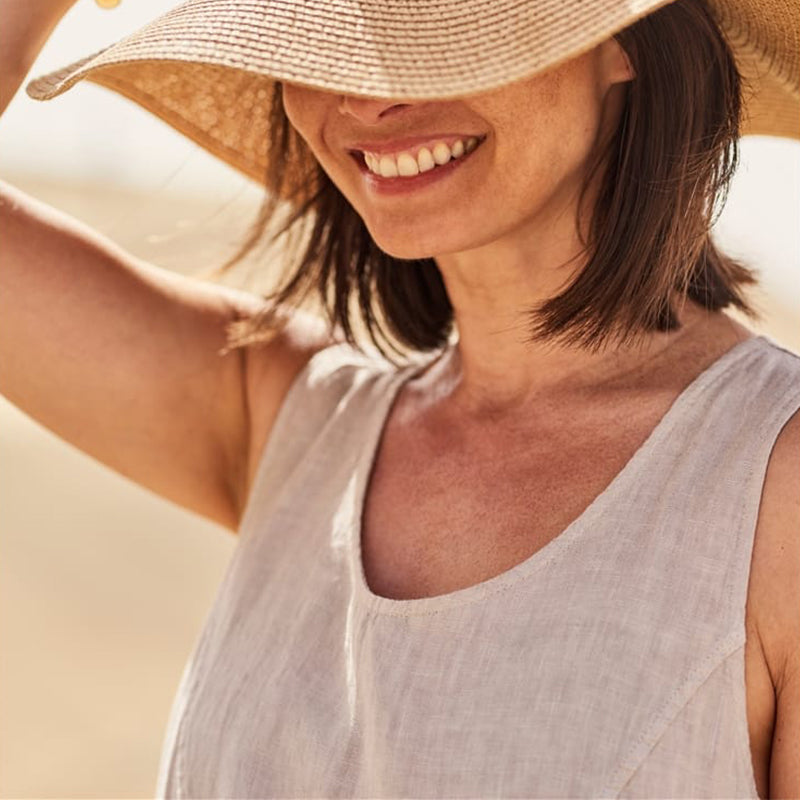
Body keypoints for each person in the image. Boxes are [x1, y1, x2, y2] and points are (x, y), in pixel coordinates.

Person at [1, 0, 798, 796]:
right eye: (319, 31)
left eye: (441, 27)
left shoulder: (774, 490)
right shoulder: (294, 421)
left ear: (624, 36)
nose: (366, 98)